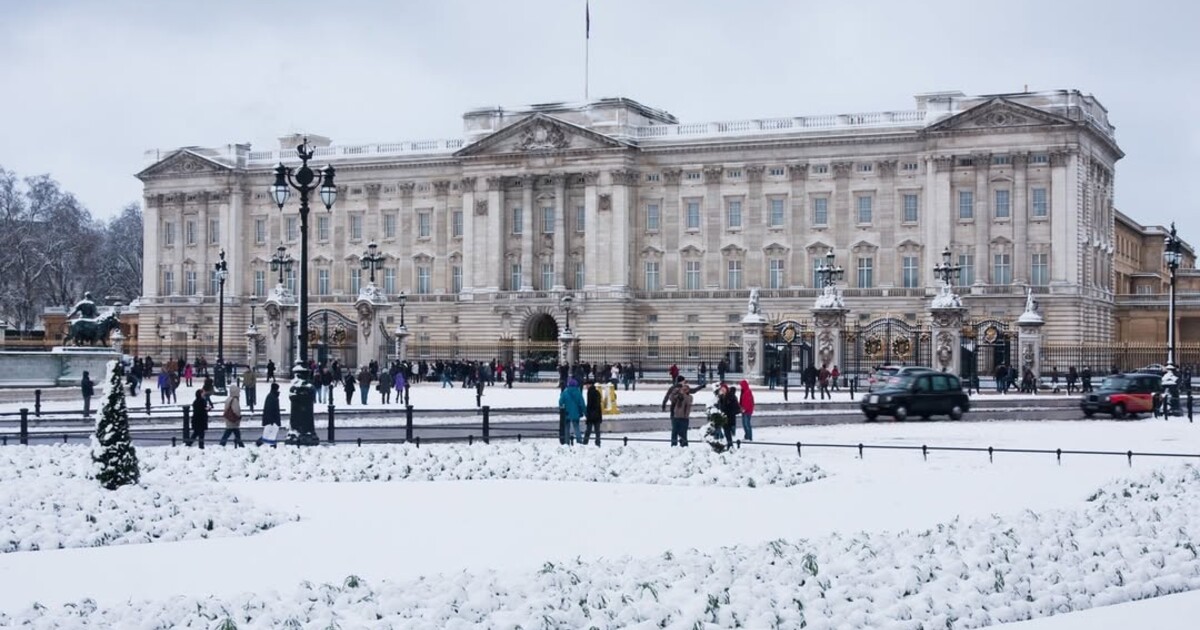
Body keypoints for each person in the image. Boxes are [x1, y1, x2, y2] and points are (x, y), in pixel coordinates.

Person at [665, 375, 696, 447]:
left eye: (686, 389)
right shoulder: (675, 390)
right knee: (675, 431)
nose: (684, 389)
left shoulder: (689, 397)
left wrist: (682, 394)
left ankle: (684, 445)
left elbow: (689, 399)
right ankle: (674, 445)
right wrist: (678, 392)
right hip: (676, 415)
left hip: (684, 417)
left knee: (683, 432)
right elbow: (671, 397)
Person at [558, 378, 586, 445]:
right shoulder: (578, 393)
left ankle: (567, 441)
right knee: (576, 427)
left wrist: (563, 408)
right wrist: (585, 412)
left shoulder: (565, 392)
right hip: (576, 413)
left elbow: (560, 402)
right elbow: (582, 404)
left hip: (566, 413)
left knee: (566, 428)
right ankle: (579, 441)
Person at [256, 382, 282, 447]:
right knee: (271, 432)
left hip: (271, 419)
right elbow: (271, 409)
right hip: (272, 420)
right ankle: (270, 444)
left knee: (269, 432)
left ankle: (269, 444)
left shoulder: (271, 396)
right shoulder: (272, 397)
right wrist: (272, 420)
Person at [717, 382, 739, 449]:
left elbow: (734, 407)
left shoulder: (731, 396)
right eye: (721, 389)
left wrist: (728, 411)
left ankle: (730, 445)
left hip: (730, 417)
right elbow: (720, 406)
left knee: (728, 432)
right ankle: (729, 444)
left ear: (726, 389)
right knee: (726, 432)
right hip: (724, 417)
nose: (722, 390)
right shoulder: (721, 397)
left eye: (724, 389)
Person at [582, 378, 602, 446]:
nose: (586, 386)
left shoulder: (590, 392)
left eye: (587, 385)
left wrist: (588, 414)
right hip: (597, 414)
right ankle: (598, 443)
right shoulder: (597, 392)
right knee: (597, 431)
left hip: (591, 414)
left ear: (590, 385)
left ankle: (585, 442)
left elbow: (590, 404)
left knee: (588, 430)